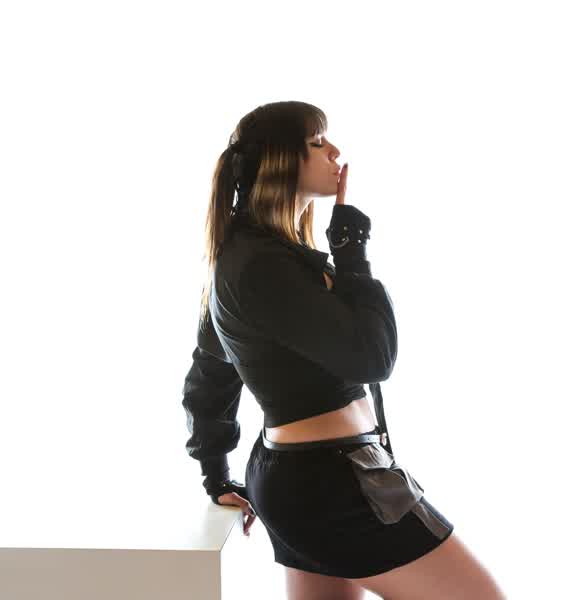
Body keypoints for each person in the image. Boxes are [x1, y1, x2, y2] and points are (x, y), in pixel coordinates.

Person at [181, 101, 506, 599]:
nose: (334, 152)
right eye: (317, 143)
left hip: (308, 478)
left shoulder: (248, 255)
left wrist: (216, 473)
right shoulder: (261, 264)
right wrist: (352, 250)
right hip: (331, 482)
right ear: (280, 161)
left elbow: (209, 374)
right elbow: (374, 357)